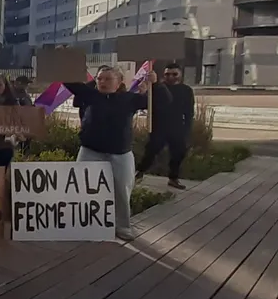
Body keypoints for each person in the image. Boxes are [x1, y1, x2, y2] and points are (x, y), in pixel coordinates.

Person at [63, 67, 155, 242]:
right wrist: (64, 58)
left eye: (108, 79)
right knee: (80, 187)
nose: (102, 82)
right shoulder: (90, 95)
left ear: (119, 82)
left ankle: (122, 226)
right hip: (90, 150)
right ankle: (81, 222)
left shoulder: (129, 99)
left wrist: (154, 85)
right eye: (99, 79)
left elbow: (157, 103)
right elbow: (69, 81)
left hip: (120, 153)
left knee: (121, 190)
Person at [137, 62, 194, 190]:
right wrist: (144, 92)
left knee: (178, 153)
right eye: (167, 74)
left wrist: (187, 131)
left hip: (177, 126)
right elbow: (146, 103)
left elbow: (189, 112)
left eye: (174, 74)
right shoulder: (157, 88)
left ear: (180, 74)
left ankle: (173, 178)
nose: (171, 77)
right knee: (151, 151)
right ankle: (139, 173)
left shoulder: (186, 90)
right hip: (159, 126)